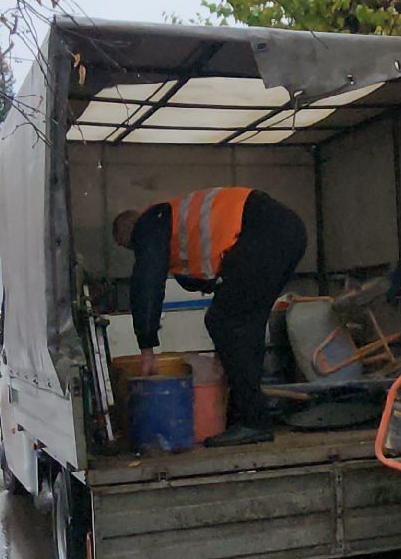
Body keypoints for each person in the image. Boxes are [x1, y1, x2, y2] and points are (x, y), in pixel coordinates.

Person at [113, 187, 307, 448]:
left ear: (129, 237)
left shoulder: (150, 224)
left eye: (132, 248)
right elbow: (203, 276)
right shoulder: (173, 222)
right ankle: (248, 416)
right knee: (245, 324)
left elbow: (147, 283)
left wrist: (146, 347)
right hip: (286, 231)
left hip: (262, 232)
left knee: (223, 322)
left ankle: (252, 421)